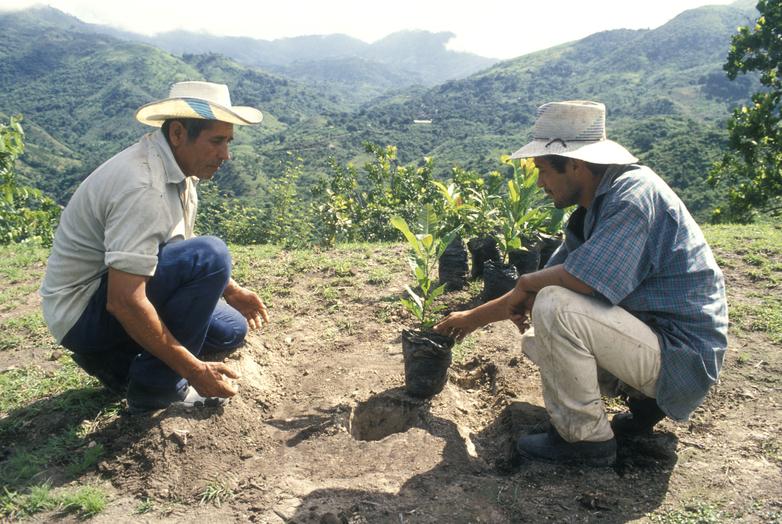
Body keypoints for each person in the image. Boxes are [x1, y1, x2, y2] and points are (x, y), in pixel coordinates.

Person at [434, 100, 728, 466]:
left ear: (574, 164)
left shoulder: (632, 198)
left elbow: (567, 286)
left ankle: (585, 440)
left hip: (681, 357)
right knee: (538, 339)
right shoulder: (595, 208)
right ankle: (643, 408)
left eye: (543, 170)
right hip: (660, 341)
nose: (540, 182)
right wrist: (470, 319)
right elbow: (539, 286)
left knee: (556, 307)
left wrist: (528, 282)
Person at [40, 81, 269, 413]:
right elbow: (124, 300)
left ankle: (120, 364)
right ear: (177, 133)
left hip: (112, 294)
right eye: (216, 141)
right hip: (83, 313)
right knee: (211, 255)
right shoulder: (143, 185)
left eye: (228, 142)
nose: (225, 155)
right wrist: (193, 370)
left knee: (230, 330)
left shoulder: (179, 171)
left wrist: (230, 290)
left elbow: (173, 245)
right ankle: (156, 389)